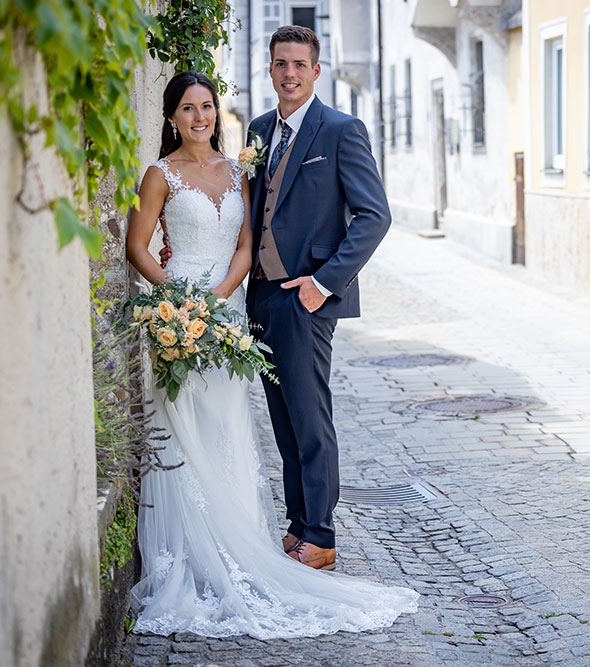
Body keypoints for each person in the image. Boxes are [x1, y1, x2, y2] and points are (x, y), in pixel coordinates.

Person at [125, 70, 417, 638]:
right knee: (199, 421)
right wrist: (177, 304)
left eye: (207, 106)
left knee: (260, 422)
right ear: (171, 117)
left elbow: (252, 240)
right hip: (179, 314)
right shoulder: (178, 167)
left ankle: (310, 536)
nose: (200, 117)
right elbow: (140, 244)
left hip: (239, 305)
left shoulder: (250, 164)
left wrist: (225, 298)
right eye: (188, 108)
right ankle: (206, 545)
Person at [245, 24, 392, 573]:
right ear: (270, 69)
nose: (289, 73)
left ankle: (322, 536)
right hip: (261, 298)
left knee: (310, 417)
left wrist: (323, 283)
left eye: (299, 65)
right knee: (281, 418)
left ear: (316, 71)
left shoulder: (340, 130)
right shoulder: (259, 131)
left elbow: (375, 216)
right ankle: (297, 524)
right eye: (280, 63)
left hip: (306, 299)